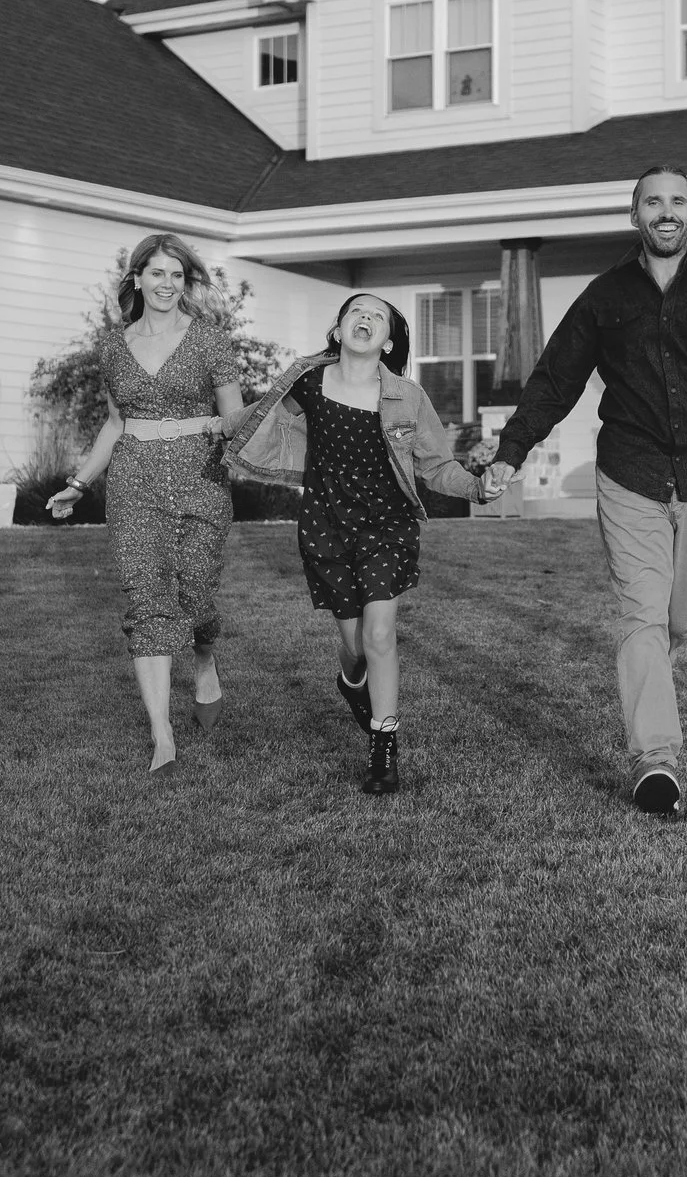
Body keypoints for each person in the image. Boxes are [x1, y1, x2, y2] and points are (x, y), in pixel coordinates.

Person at [473, 167, 687, 819]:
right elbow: (554, 380)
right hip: (630, 473)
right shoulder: (605, 295)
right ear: (636, 214)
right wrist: (511, 451)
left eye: (677, 201)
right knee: (641, 614)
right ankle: (656, 757)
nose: (666, 211)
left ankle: (650, 678)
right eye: (653, 201)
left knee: (680, 618)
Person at [228, 293, 494, 795]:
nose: (366, 318)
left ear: (388, 341)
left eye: (379, 316)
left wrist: (477, 487)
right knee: (354, 649)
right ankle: (351, 682)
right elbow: (255, 419)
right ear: (337, 330)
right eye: (357, 311)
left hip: (385, 525)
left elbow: (435, 465)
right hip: (325, 525)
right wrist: (194, 429)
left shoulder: (408, 397)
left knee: (379, 637)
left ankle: (384, 743)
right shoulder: (307, 382)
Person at [49, 234, 246, 771]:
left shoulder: (209, 341)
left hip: (199, 473)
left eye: (177, 275)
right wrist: (80, 482)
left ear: (187, 282)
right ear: (137, 278)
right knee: (147, 596)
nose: (167, 284)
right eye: (156, 273)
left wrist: (214, 426)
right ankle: (163, 735)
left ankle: (204, 657)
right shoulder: (113, 347)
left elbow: (237, 417)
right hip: (134, 477)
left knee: (196, 596)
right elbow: (116, 423)